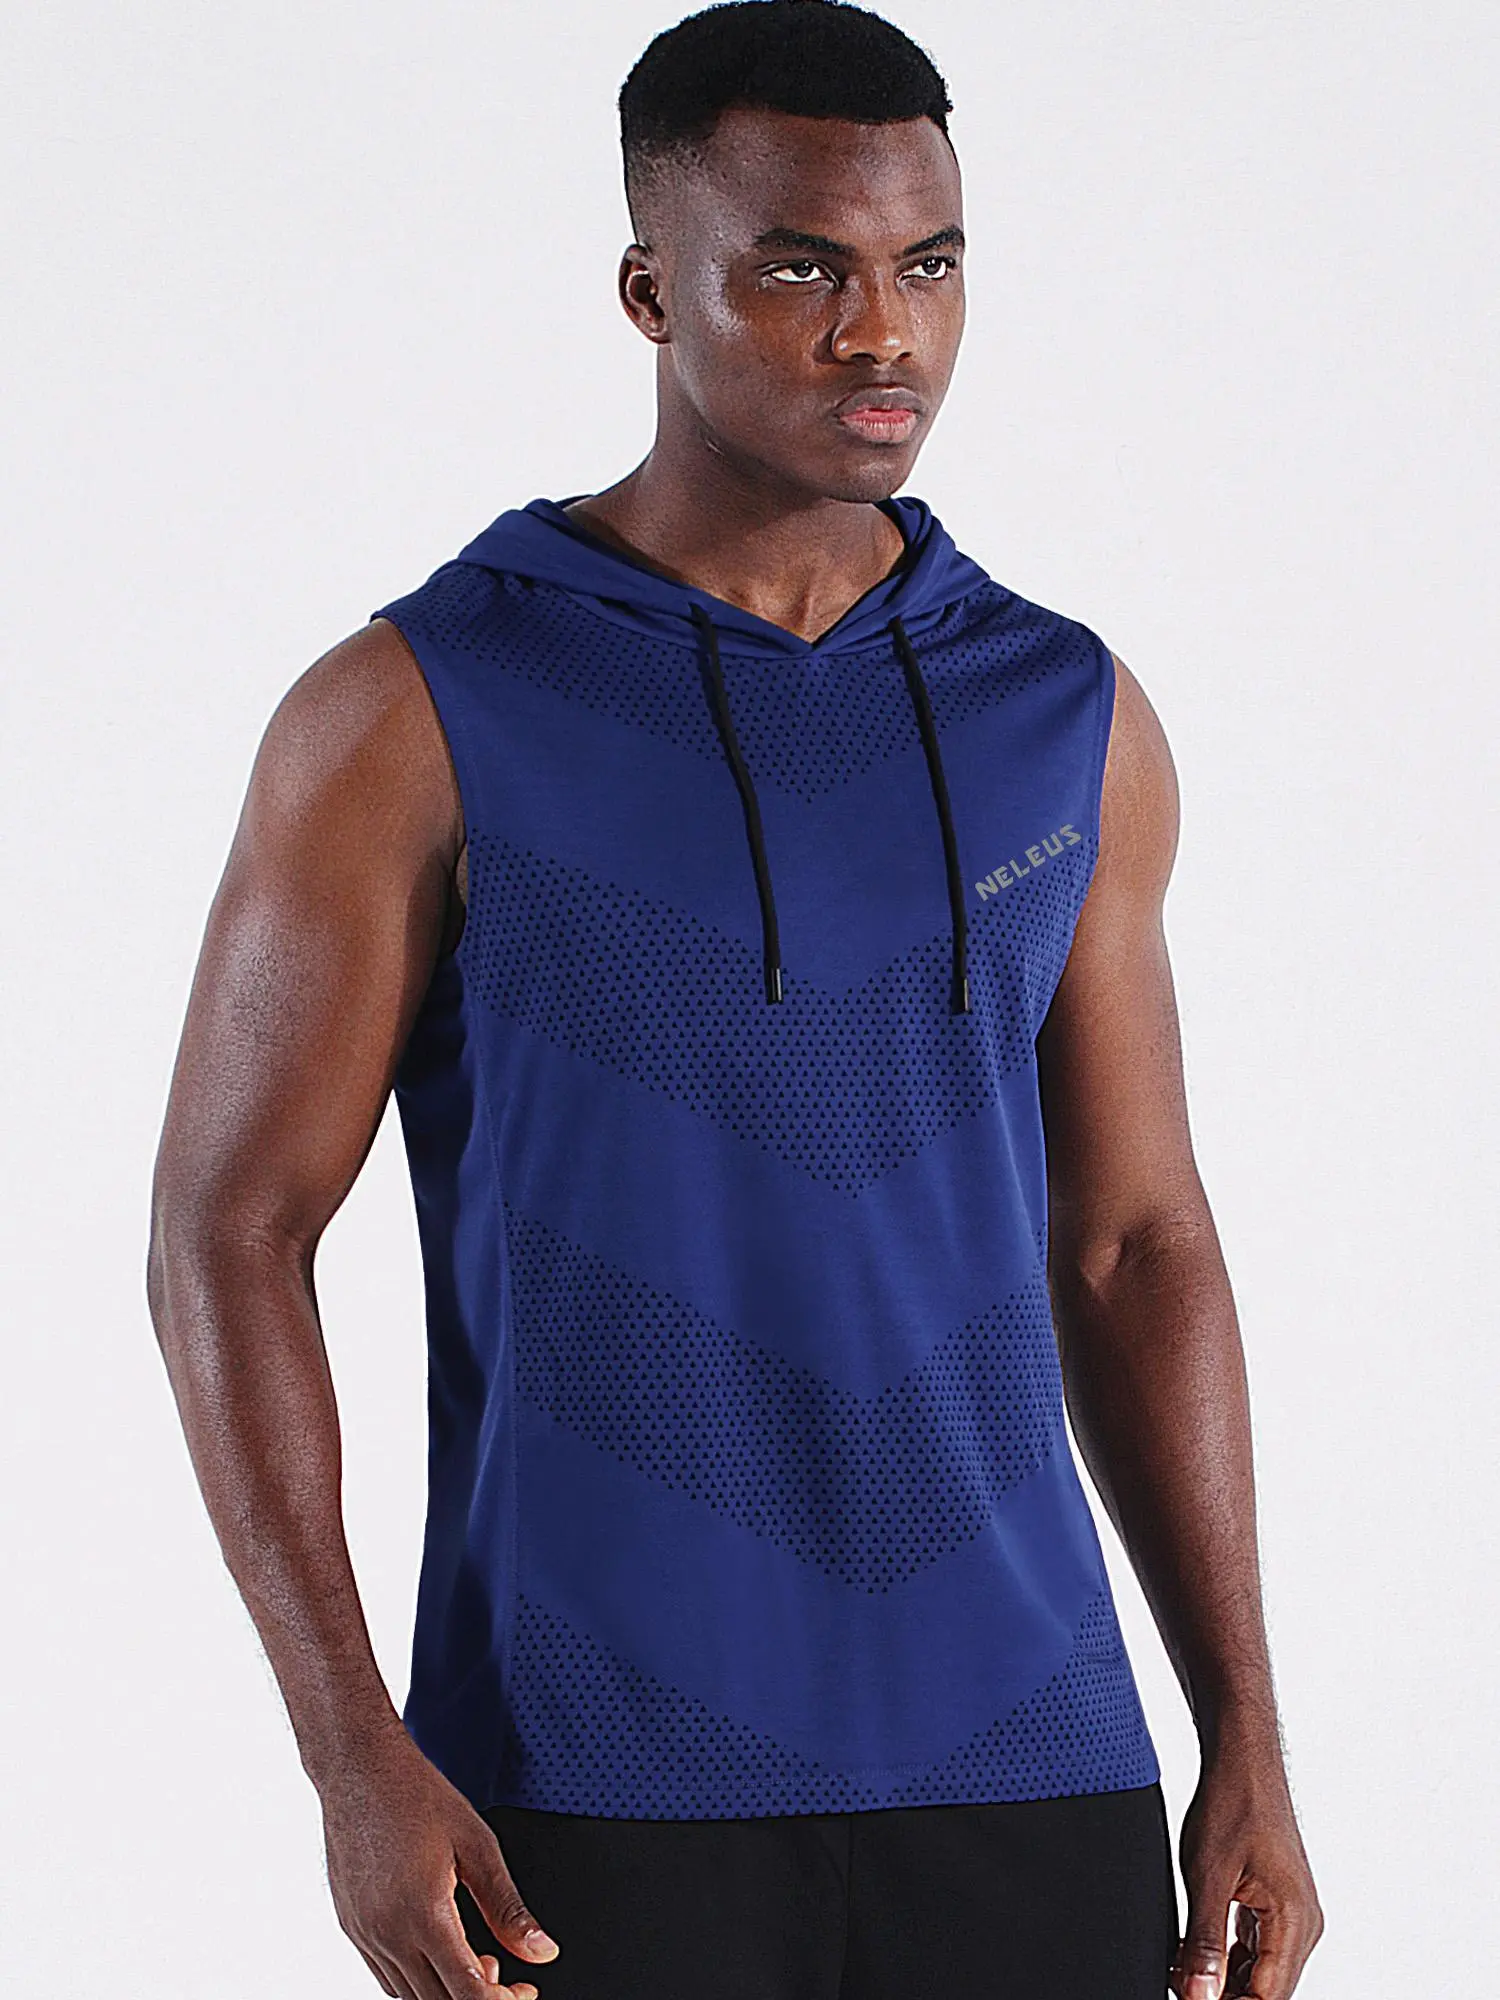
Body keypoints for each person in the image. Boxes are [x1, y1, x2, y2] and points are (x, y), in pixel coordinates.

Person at [147, 3, 1323, 1996]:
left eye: (927, 266)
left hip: (1033, 1762)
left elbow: (1136, 1242)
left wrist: (1252, 1740)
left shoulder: (1064, 712)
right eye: (800, 271)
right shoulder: (414, 710)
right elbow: (226, 1229)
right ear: (648, 290)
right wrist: (352, 1751)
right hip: (584, 1782)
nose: (882, 338)